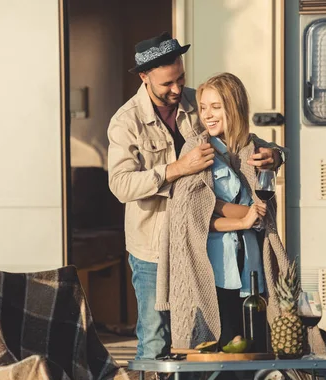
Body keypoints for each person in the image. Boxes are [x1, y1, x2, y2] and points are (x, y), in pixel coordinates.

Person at [108, 32, 286, 361]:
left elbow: (242, 137)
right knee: (156, 335)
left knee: (201, 337)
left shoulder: (196, 102)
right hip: (154, 245)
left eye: (181, 79)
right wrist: (176, 168)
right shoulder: (126, 122)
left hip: (203, 243)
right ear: (145, 78)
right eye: (167, 84)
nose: (177, 90)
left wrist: (276, 155)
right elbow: (120, 185)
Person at [156, 72, 325, 380]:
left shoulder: (254, 147)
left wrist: (278, 157)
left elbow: (273, 166)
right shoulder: (197, 148)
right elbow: (195, 217)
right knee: (222, 362)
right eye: (203, 107)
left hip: (252, 271)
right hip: (213, 273)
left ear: (234, 107)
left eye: (215, 106)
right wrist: (243, 219)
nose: (207, 114)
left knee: (255, 357)